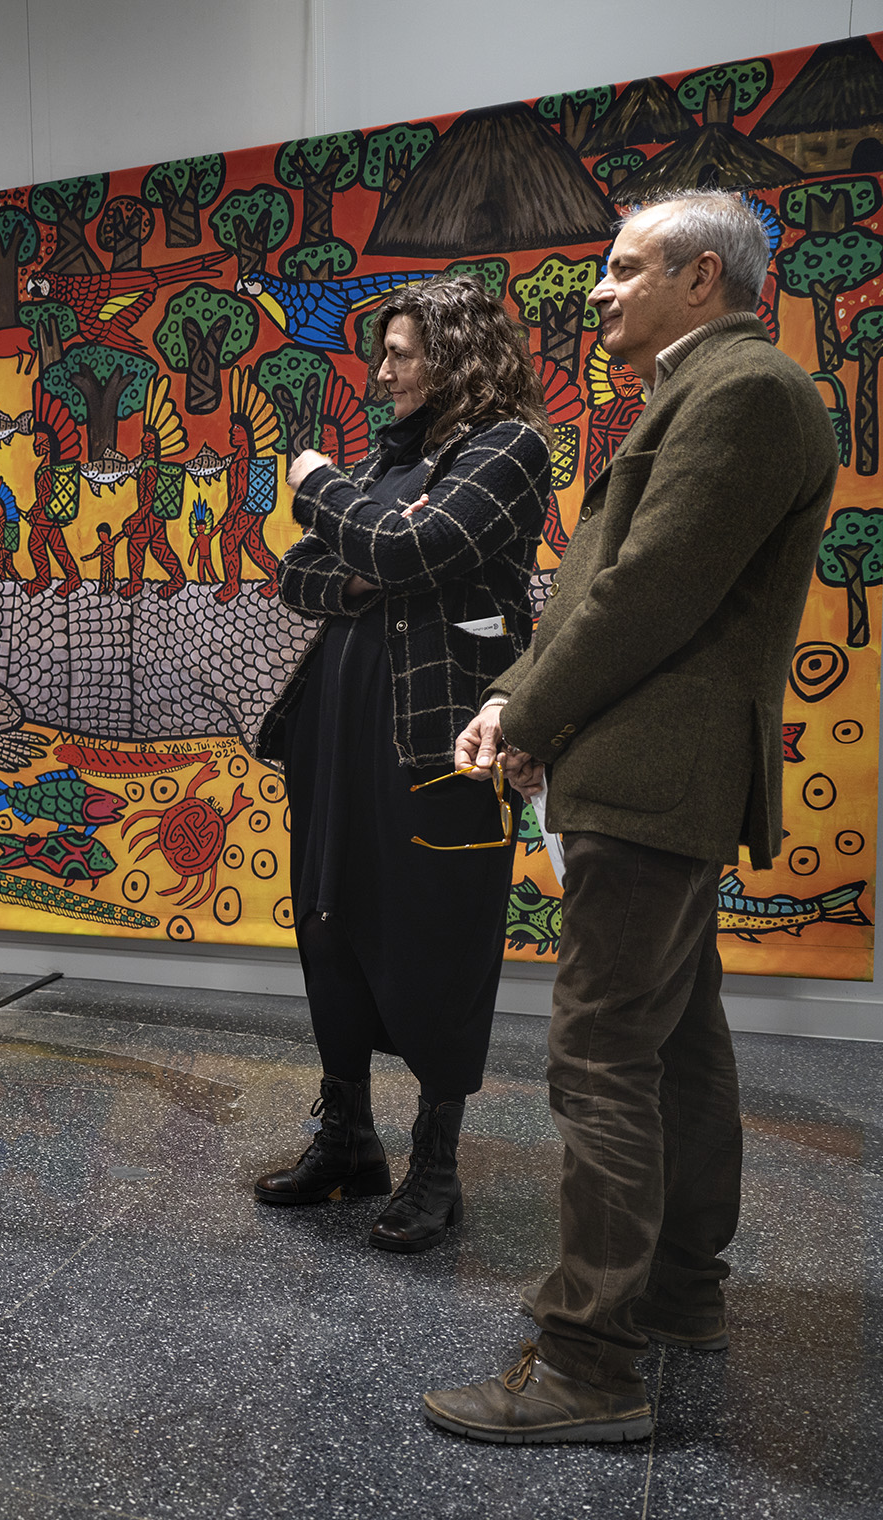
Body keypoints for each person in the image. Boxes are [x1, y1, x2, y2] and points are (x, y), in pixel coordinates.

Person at [424, 191, 837, 1443]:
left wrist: (529, 715)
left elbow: (649, 591)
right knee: (678, 1043)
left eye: (623, 267)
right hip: (647, 770)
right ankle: (675, 1295)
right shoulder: (704, 390)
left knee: (600, 1058)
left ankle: (587, 1366)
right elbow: (595, 589)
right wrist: (512, 696)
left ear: (700, 277)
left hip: (648, 774)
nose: (598, 290)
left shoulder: (745, 391)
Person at [252, 277, 553, 1253]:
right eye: (381, 354)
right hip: (334, 739)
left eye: (400, 353)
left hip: (442, 743)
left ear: (454, 355)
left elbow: (411, 542)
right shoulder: (391, 459)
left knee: (438, 936)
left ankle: (436, 1165)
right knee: (330, 922)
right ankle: (348, 1137)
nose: (380, 373)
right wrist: (373, 553)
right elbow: (301, 572)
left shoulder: (507, 449)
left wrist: (317, 487)